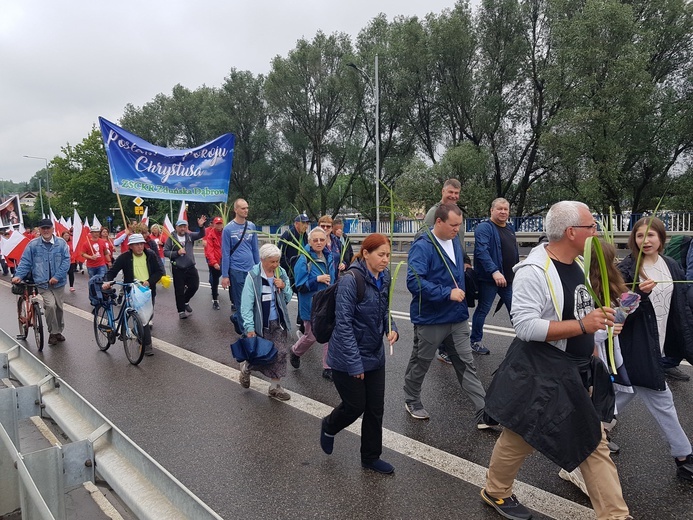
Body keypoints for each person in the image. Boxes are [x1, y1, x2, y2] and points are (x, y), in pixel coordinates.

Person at [482, 201, 630, 520]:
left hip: (573, 370)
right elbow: (524, 326)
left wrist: (594, 343)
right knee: (537, 437)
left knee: (571, 438)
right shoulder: (533, 271)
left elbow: (582, 315)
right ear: (572, 232)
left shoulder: (579, 264)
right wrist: (582, 326)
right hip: (543, 369)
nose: (596, 232)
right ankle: (615, 515)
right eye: (591, 226)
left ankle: (496, 490)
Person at [614, 217, 693, 480]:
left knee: (619, 396)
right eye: (639, 236)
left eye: (651, 235)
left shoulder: (670, 265)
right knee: (662, 397)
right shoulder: (627, 270)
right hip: (636, 346)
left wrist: (685, 342)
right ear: (632, 239)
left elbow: (681, 308)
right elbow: (618, 316)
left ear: (661, 238)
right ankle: (683, 456)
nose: (645, 241)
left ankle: (590, 436)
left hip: (660, 344)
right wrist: (640, 295)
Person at [320, 233, 399, 474]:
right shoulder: (350, 280)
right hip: (347, 358)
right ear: (366, 254)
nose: (386, 260)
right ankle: (329, 425)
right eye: (381, 255)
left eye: (388, 255)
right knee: (355, 407)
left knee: (376, 408)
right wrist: (355, 365)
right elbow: (343, 324)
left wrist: (391, 327)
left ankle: (371, 457)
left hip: (374, 354)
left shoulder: (383, 277)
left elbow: (384, 309)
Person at [404, 204, 488, 424]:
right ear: (438, 222)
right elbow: (414, 281)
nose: (457, 229)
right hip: (431, 318)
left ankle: (484, 410)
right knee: (421, 361)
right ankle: (412, 399)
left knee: (466, 363)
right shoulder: (423, 246)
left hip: (457, 317)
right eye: (453, 225)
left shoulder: (454, 242)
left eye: (460, 225)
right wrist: (446, 293)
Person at [423, 178, 472, 364]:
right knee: (443, 306)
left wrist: (465, 260)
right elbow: (425, 237)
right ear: (443, 191)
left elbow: (460, 240)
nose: (453, 196)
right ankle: (439, 349)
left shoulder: (457, 214)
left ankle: (452, 348)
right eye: (450, 192)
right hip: (441, 267)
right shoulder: (433, 213)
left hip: (456, 266)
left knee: (455, 307)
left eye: (456, 193)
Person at [239, 243, 293, 400]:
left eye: (277, 261)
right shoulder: (253, 276)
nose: (275, 265)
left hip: (278, 322)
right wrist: (249, 327)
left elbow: (287, 298)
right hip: (260, 324)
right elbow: (246, 304)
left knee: (281, 353)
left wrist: (283, 286)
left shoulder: (280, 273)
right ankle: (246, 369)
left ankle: (275, 387)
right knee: (260, 355)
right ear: (262, 260)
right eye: (272, 262)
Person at [470, 198, 519, 355]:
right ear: (492, 210)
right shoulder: (485, 228)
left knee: (517, 311)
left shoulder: (510, 228)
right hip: (490, 279)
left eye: (506, 209)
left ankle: (524, 341)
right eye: (499, 209)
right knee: (483, 310)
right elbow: (481, 252)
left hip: (508, 279)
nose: (503, 212)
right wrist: (494, 271)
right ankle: (475, 341)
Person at [102, 233, 164, 356]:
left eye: (141, 244)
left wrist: (149, 282)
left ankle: (138, 331)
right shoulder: (124, 257)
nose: (140, 247)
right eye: (137, 244)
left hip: (147, 290)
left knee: (147, 316)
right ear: (130, 246)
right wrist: (107, 281)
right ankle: (147, 345)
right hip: (132, 290)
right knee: (143, 317)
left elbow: (159, 272)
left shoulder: (150, 254)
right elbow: (112, 272)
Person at [12, 218, 71, 346]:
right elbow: (26, 262)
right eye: (43, 228)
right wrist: (18, 276)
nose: (45, 230)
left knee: (59, 308)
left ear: (53, 229)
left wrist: (57, 276)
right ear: (39, 230)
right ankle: (52, 333)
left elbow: (66, 262)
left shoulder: (61, 244)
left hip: (58, 283)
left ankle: (58, 331)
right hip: (42, 283)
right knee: (50, 306)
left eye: (48, 228)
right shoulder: (33, 245)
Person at [288, 227, 336, 380]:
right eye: (315, 240)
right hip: (311, 305)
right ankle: (295, 351)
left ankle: (328, 367)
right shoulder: (304, 259)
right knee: (311, 336)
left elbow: (334, 280)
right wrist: (317, 280)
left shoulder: (329, 257)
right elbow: (300, 286)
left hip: (328, 303)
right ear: (309, 241)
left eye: (322, 239)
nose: (319, 242)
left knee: (330, 334)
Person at [221, 199, 259, 334]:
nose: (246, 210)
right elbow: (225, 253)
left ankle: (237, 318)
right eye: (243, 208)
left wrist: (258, 268)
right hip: (236, 271)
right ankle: (246, 334)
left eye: (247, 208)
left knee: (253, 301)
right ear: (236, 210)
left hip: (251, 270)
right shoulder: (228, 229)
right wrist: (225, 275)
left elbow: (255, 249)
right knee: (241, 303)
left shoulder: (252, 226)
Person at [164, 217, 207, 319]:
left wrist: (201, 227)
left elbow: (201, 234)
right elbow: (165, 252)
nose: (183, 229)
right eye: (180, 227)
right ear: (176, 227)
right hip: (178, 268)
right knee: (179, 290)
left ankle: (185, 301)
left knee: (194, 286)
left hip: (190, 267)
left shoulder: (190, 236)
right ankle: (181, 311)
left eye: (184, 226)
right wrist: (177, 253)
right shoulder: (171, 238)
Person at [279, 213, 310, 290]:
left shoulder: (305, 235)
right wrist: (290, 266)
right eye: (303, 223)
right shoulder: (288, 235)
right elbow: (280, 253)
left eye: (307, 223)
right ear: (296, 224)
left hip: (301, 270)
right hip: (290, 271)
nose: (306, 226)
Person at [204, 216, 224, 310]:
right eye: (217, 224)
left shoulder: (226, 233)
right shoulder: (211, 234)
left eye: (220, 224)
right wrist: (214, 262)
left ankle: (233, 303)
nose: (219, 226)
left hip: (225, 260)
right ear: (214, 224)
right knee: (215, 281)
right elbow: (209, 250)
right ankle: (215, 300)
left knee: (231, 280)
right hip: (215, 261)